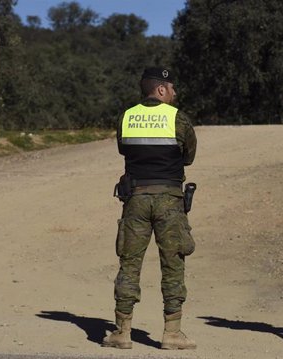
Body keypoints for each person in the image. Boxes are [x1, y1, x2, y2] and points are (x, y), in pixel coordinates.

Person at [103, 67, 197, 350]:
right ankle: (172, 333)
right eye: (171, 87)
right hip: (169, 199)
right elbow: (189, 155)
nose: (174, 93)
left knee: (129, 264)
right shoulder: (177, 118)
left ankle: (121, 331)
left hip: (136, 199)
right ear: (160, 90)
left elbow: (124, 149)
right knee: (173, 264)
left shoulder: (127, 117)